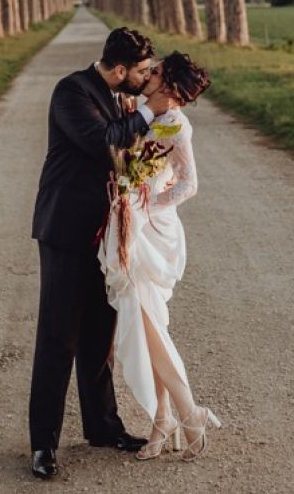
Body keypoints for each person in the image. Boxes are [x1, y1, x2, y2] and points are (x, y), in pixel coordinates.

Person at [28, 27, 176, 481]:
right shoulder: (71, 92)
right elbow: (104, 143)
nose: (147, 77)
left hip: (109, 237)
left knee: (100, 334)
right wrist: (152, 110)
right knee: (59, 339)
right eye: (142, 72)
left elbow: (130, 150)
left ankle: (103, 427)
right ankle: (43, 446)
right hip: (68, 231)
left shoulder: (119, 98)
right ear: (118, 70)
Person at [98, 51, 220, 463]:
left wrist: (145, 206)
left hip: (150, 229)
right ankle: (165, 418)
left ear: (168, 86)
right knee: (148, 321)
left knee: (144, 319)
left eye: (156, 73)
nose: (148, 75)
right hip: (130, 224)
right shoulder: (145, 113)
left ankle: (187, 411)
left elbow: (188, 185)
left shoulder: (177, 126)